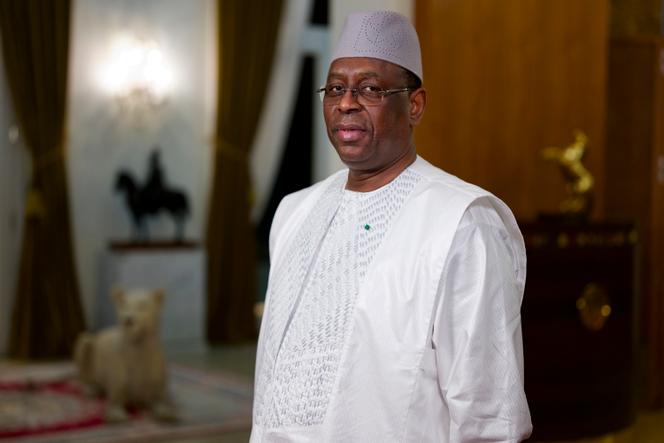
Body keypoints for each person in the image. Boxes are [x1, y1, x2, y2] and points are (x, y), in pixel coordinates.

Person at [251, 10, 532, 442]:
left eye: (370, 89)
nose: (346, 103)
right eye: (336, 89)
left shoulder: (462, 224)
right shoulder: (295, 211)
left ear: (414, 105)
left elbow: (488, 413)